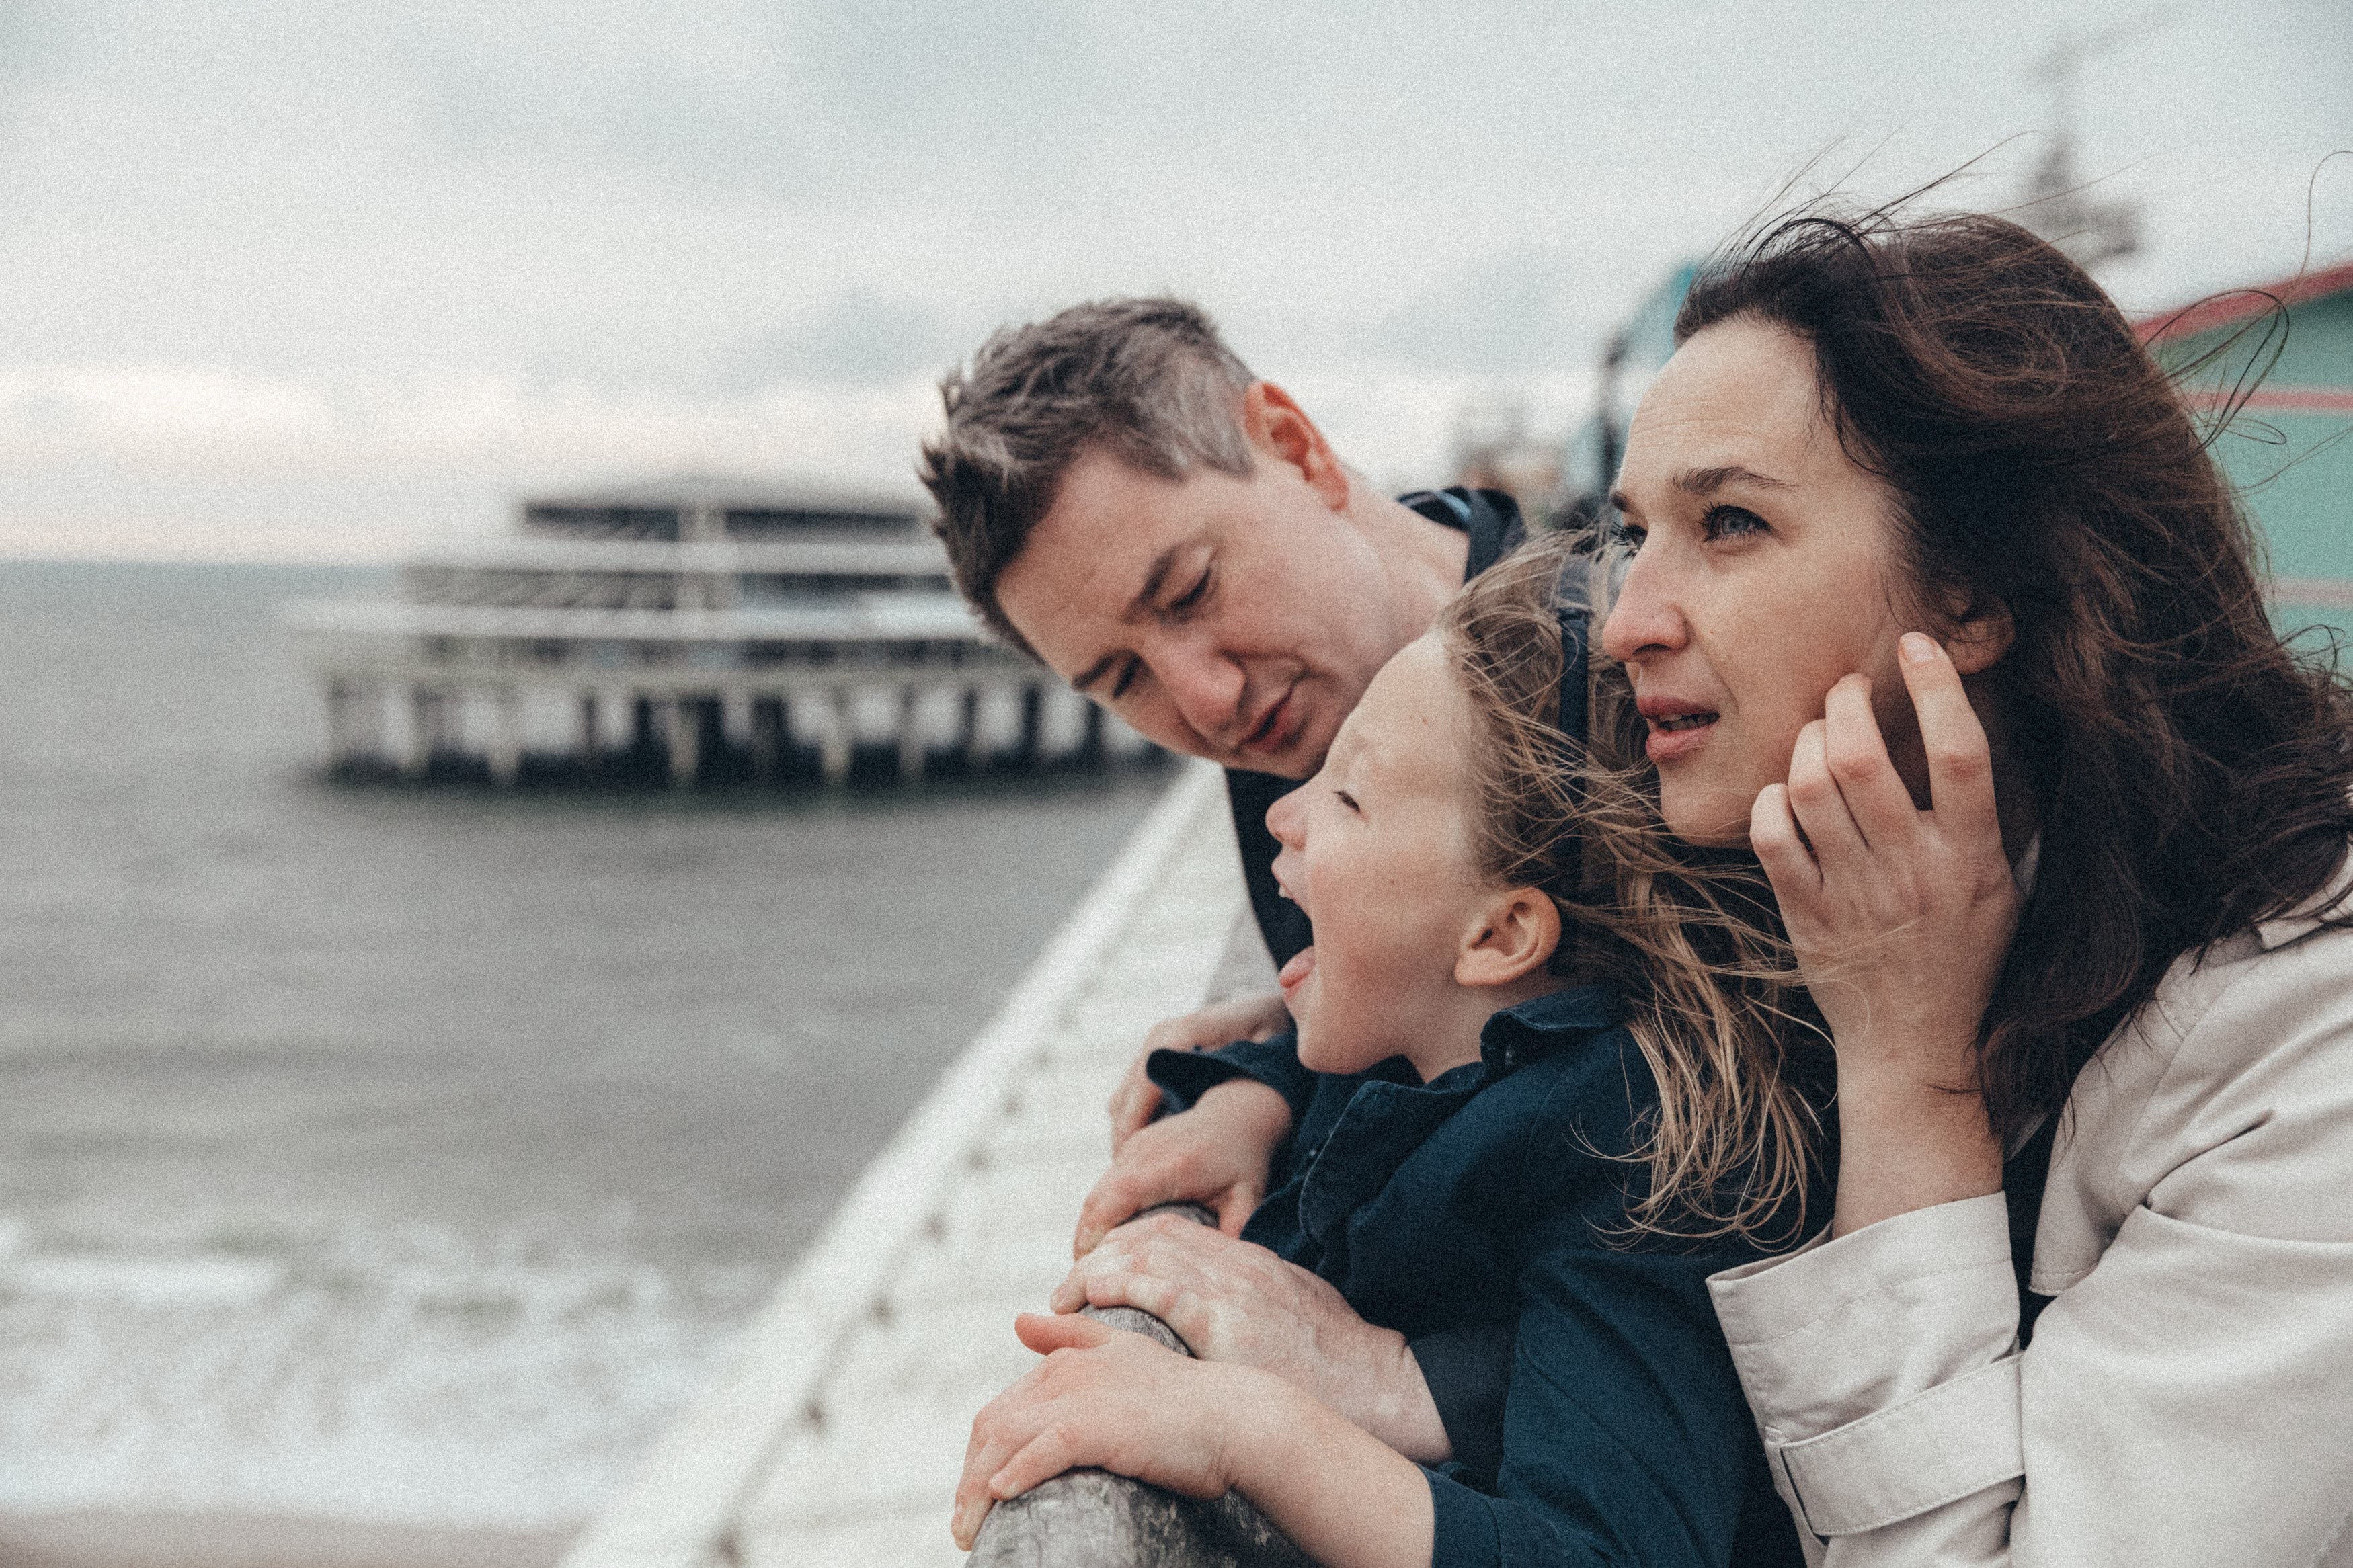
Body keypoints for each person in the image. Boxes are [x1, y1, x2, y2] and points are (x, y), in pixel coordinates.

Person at [1597, 206, 2353, 1561]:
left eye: (1725, 523)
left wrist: (1907, 1081)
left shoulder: (2310, 1039)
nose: (1625, 621)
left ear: (1972, 597)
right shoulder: (1876, 894)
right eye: (1630, 531)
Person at [953, 534, 1819, 1567]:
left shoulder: (1637, 1160)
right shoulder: (1436, 1042)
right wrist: (1250, 1091)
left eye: (1348, 795)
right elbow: (1368, 1049)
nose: (1284, 814)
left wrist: (1243, 1429)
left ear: (1500, 936)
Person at [919, 298, 1524, 1247]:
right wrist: (1275, 1064)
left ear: (1295, 447)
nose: (1205, 702)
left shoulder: (1626, 691)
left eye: (1193, 588)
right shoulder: (1302, 712)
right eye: (1123, 679)